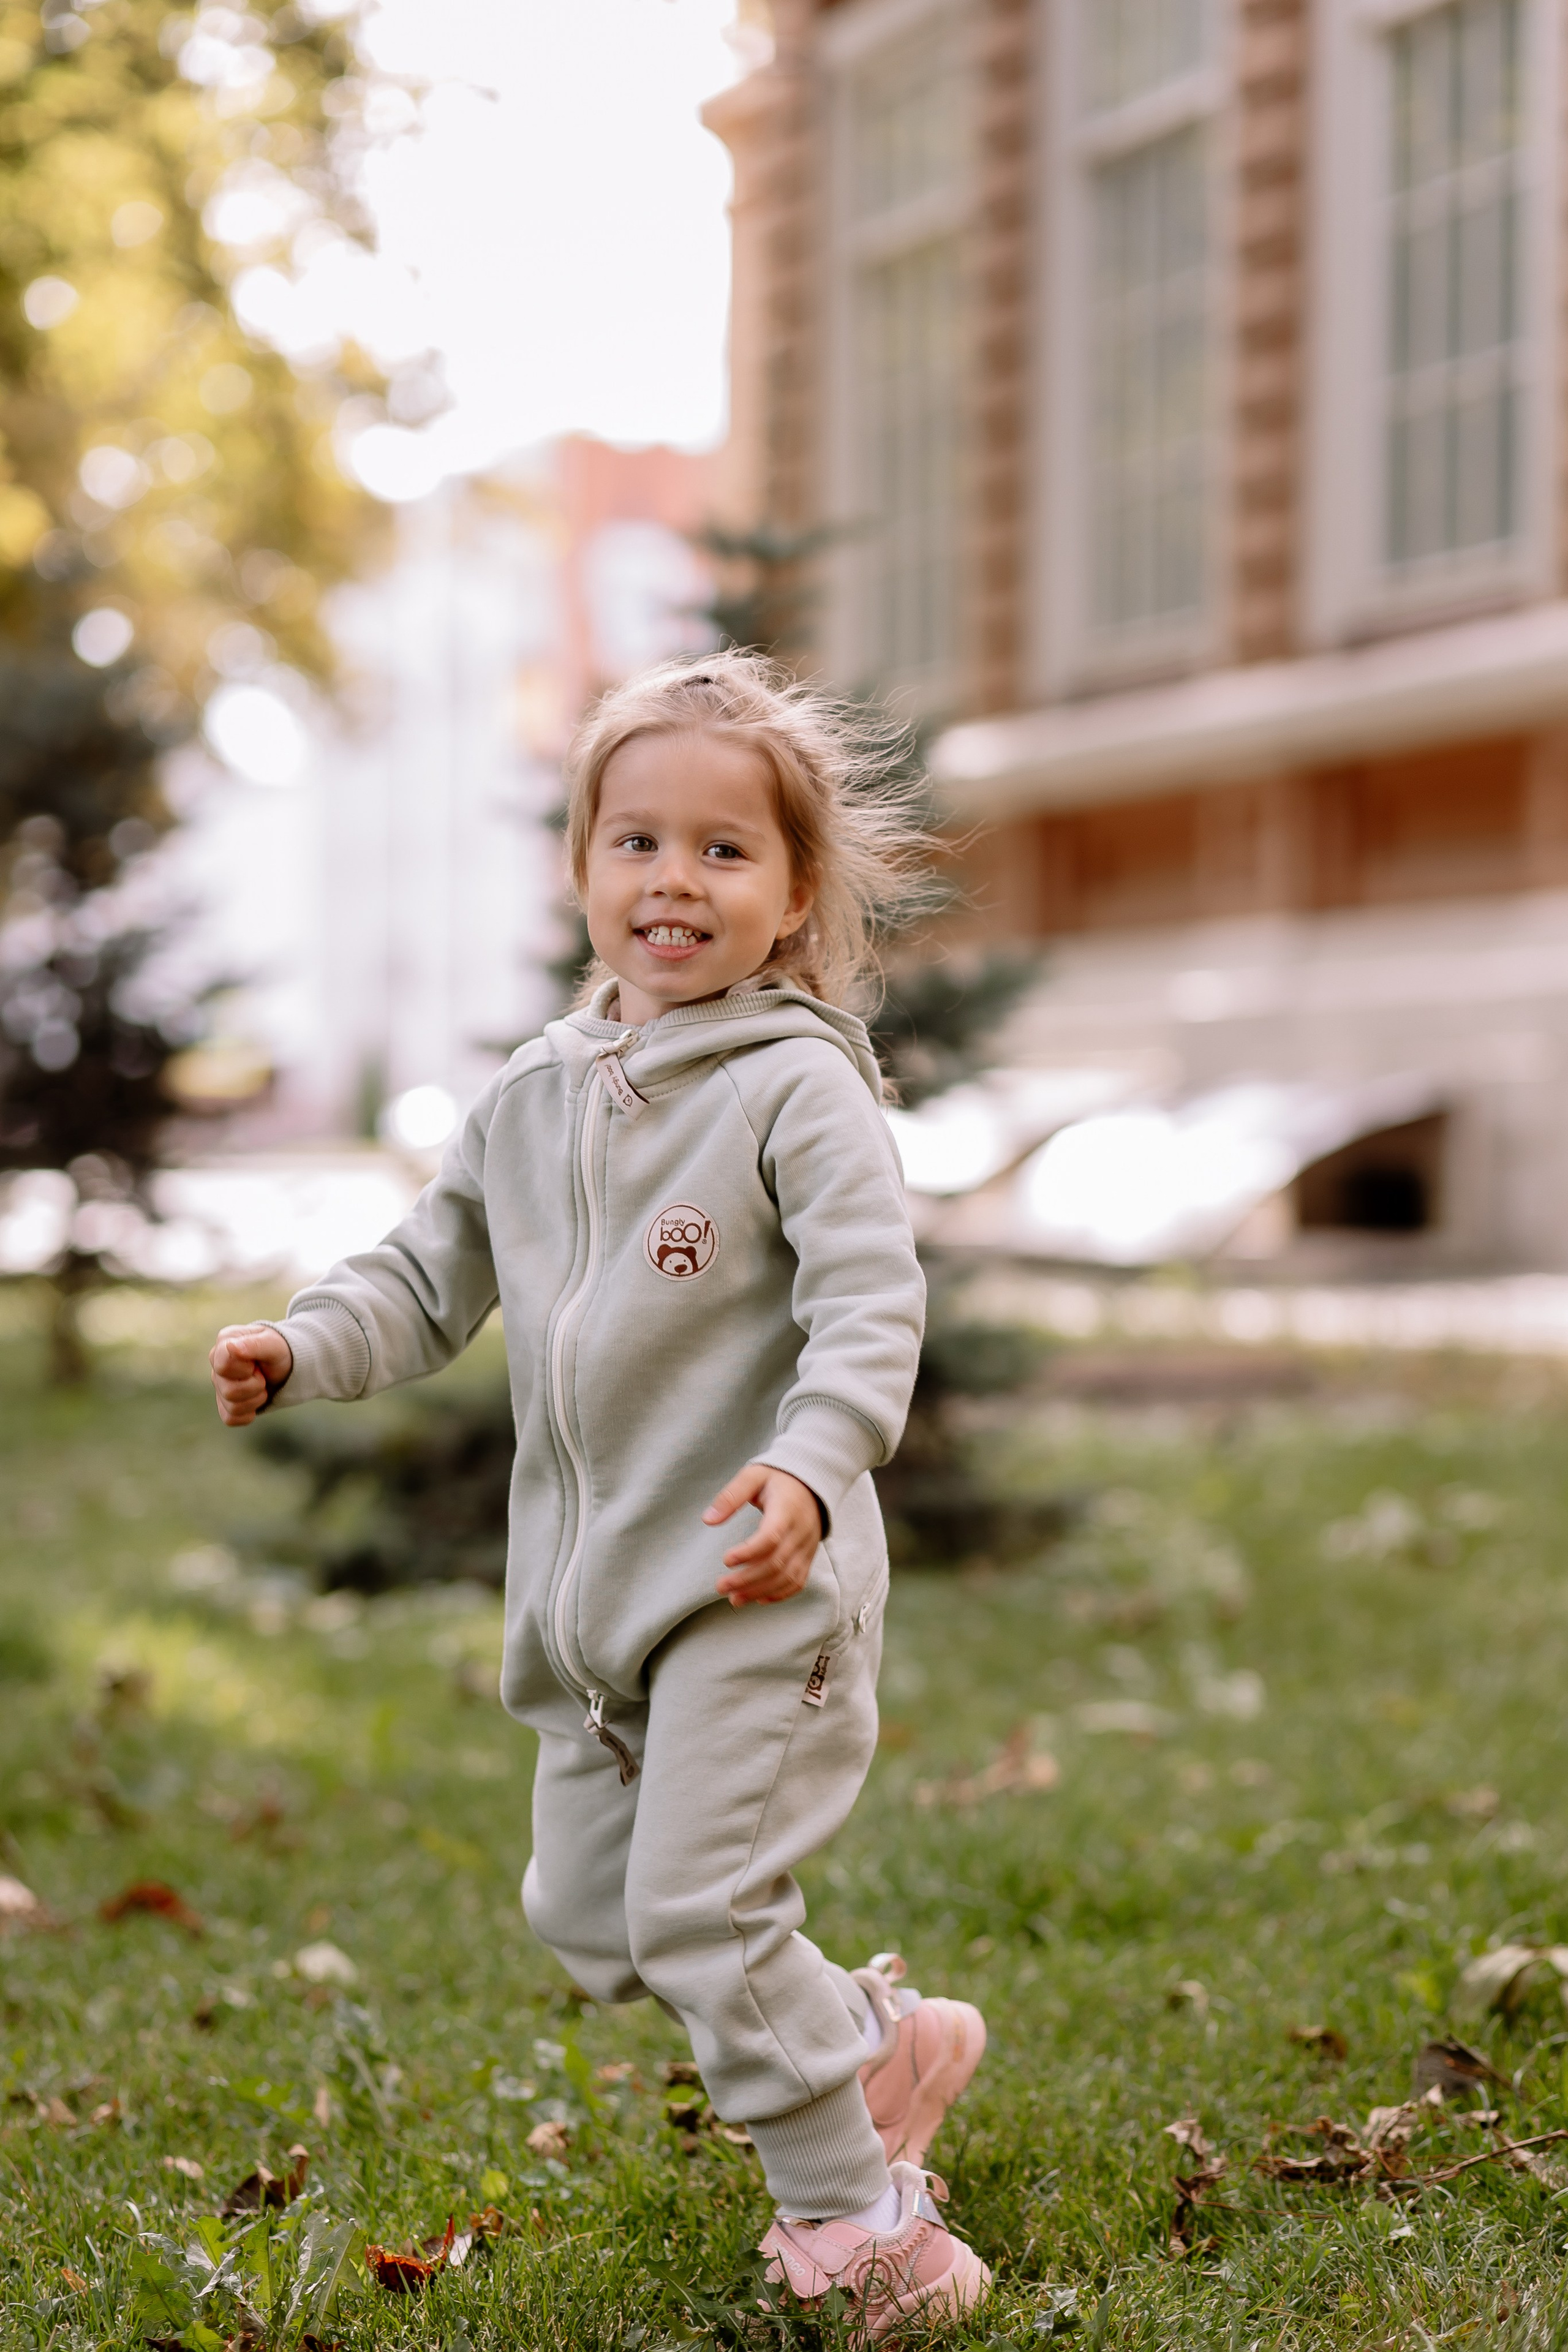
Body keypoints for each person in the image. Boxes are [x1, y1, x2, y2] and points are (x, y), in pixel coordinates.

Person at [208, 652, 989, 2335]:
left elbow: (872, 1306)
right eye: (637, 842)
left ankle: (868, 2231)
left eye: (724, 852)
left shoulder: (799, 1088)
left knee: (699, 1915)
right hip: (590, 1603)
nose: (673, 881)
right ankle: (876, 2046)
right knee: (588, 1918)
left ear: (791, 898)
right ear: (581, 871)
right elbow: (427, 1275)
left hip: (750, 1584)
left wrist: (807, 1466)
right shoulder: (536, 1093)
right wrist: (302, 1343)